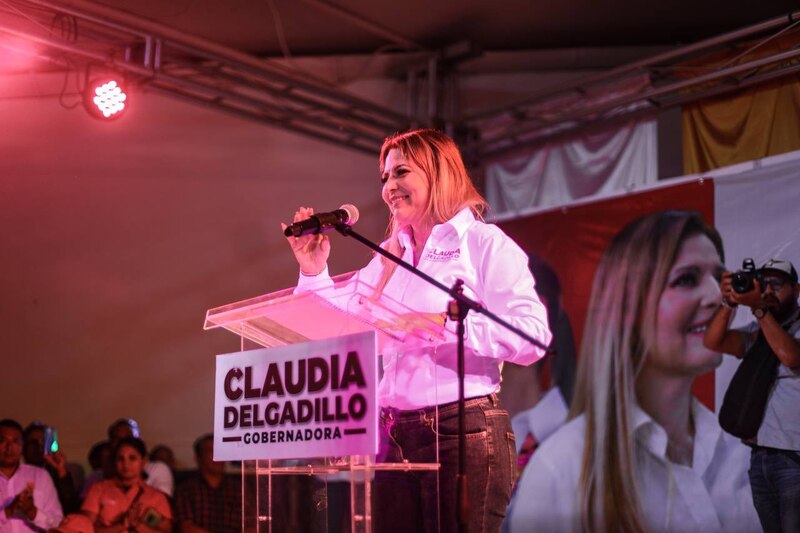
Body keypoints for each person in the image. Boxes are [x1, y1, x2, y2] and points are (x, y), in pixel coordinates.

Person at [283, 128, 551, 532]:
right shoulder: (391, 256)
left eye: (400, 173)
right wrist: (313, 269)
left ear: (438, 172)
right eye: (384, 178)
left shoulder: (482, 243)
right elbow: (341, 325)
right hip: (396, 435)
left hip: (463, 431)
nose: (389, 187)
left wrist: (446, 325)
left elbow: (533, 336)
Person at [507, 211, 761, 532]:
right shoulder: (562, 467)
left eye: (719, 278)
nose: (718, 297)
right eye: (686, 279)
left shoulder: (739, 454)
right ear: (628, 308)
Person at [703, 258, 800, 532]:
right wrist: (728, 302)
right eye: (763, 284)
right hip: (760, 459)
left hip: (794, 459)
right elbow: (713, 341)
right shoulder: (760, 332)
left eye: (777, 285)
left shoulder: (772, 327)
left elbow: (790, 355)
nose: (768, 292)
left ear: (797, 289)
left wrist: (758, 308)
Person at [59, 437, 173, 532]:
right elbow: (85, 527)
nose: (126, 464)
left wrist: (139, 526)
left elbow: (167, 531)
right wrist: (120, 526)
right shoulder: (99, 488)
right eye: (120, 459)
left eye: (132, 458)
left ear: (143, 461)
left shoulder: (156, 497)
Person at [0, 419, 63, 532]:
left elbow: (58, 522)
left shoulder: (40, 476)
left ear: (22, 445)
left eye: (15, 441)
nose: (9, 447)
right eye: (2, 441)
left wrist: (32, 512)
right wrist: (8, 511)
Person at [174, 434, 241, 533]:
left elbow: (252, 524)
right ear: (198, 458)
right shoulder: (187, 489)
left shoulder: (239, 489)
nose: (217, 456)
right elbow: (187, 528)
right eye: (211, 451)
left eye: (220, 451)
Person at [22, 422, 81, 515]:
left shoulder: (57, 473)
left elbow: (70, 506)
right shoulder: (14, 472)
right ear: (23, 446)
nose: (39, 447)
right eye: (34, 443)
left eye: (43, 442)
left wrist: (60, 470)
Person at [106, 419, 174, 497]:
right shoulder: (100, 482)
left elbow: (161, 503)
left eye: (128, 438)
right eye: (117, 439)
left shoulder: (158, 469)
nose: (124, 443)